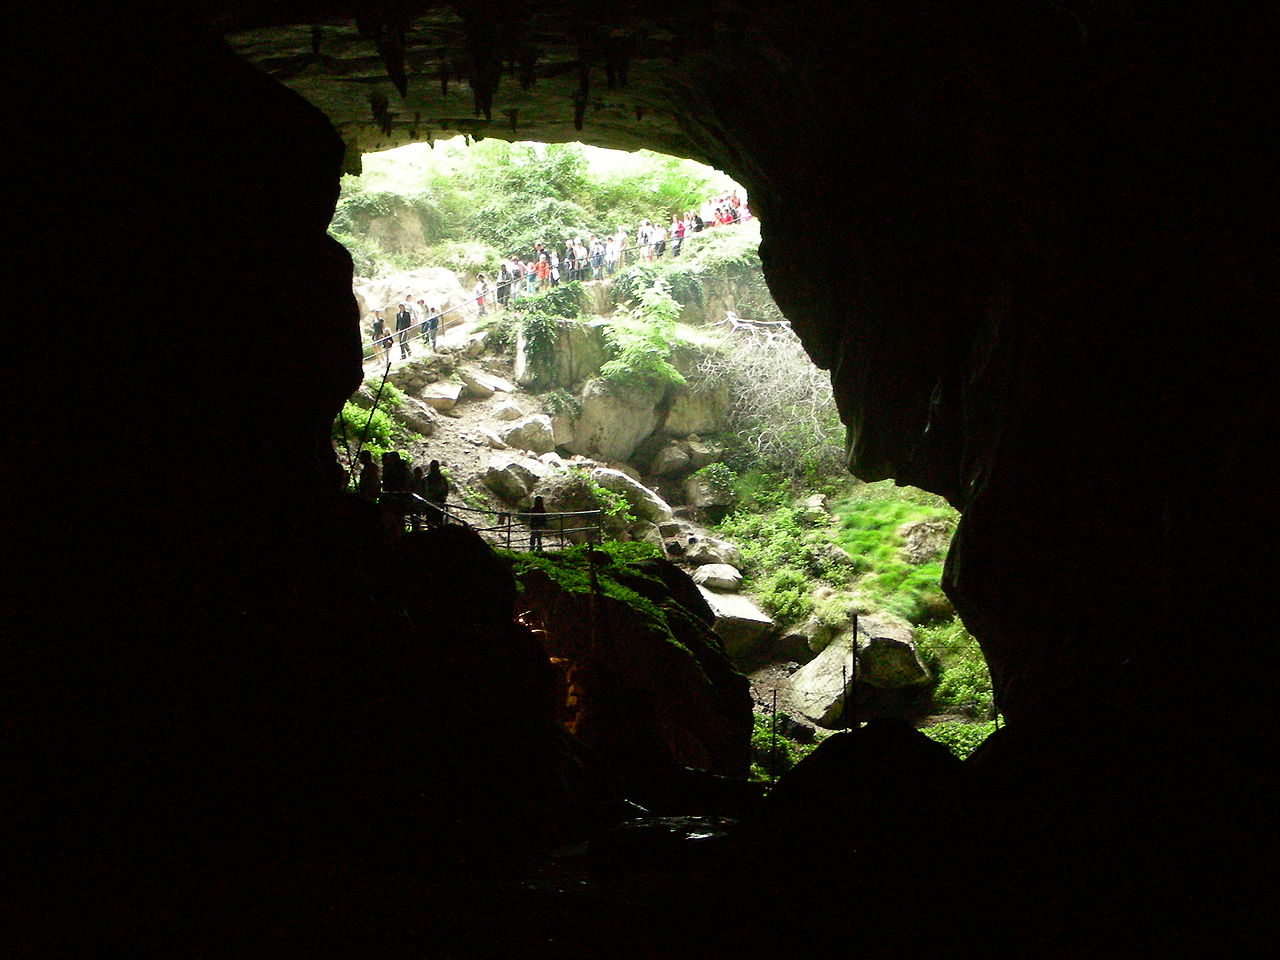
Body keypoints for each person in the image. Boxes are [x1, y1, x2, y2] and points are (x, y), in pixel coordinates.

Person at [424, 459, 449, 526]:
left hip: (439, 502)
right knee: (430, 521)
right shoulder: (427, 479)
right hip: (430, 503)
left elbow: (445, 491)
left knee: (438, 522)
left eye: (435, 466)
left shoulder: (442, 479)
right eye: (433, 466)